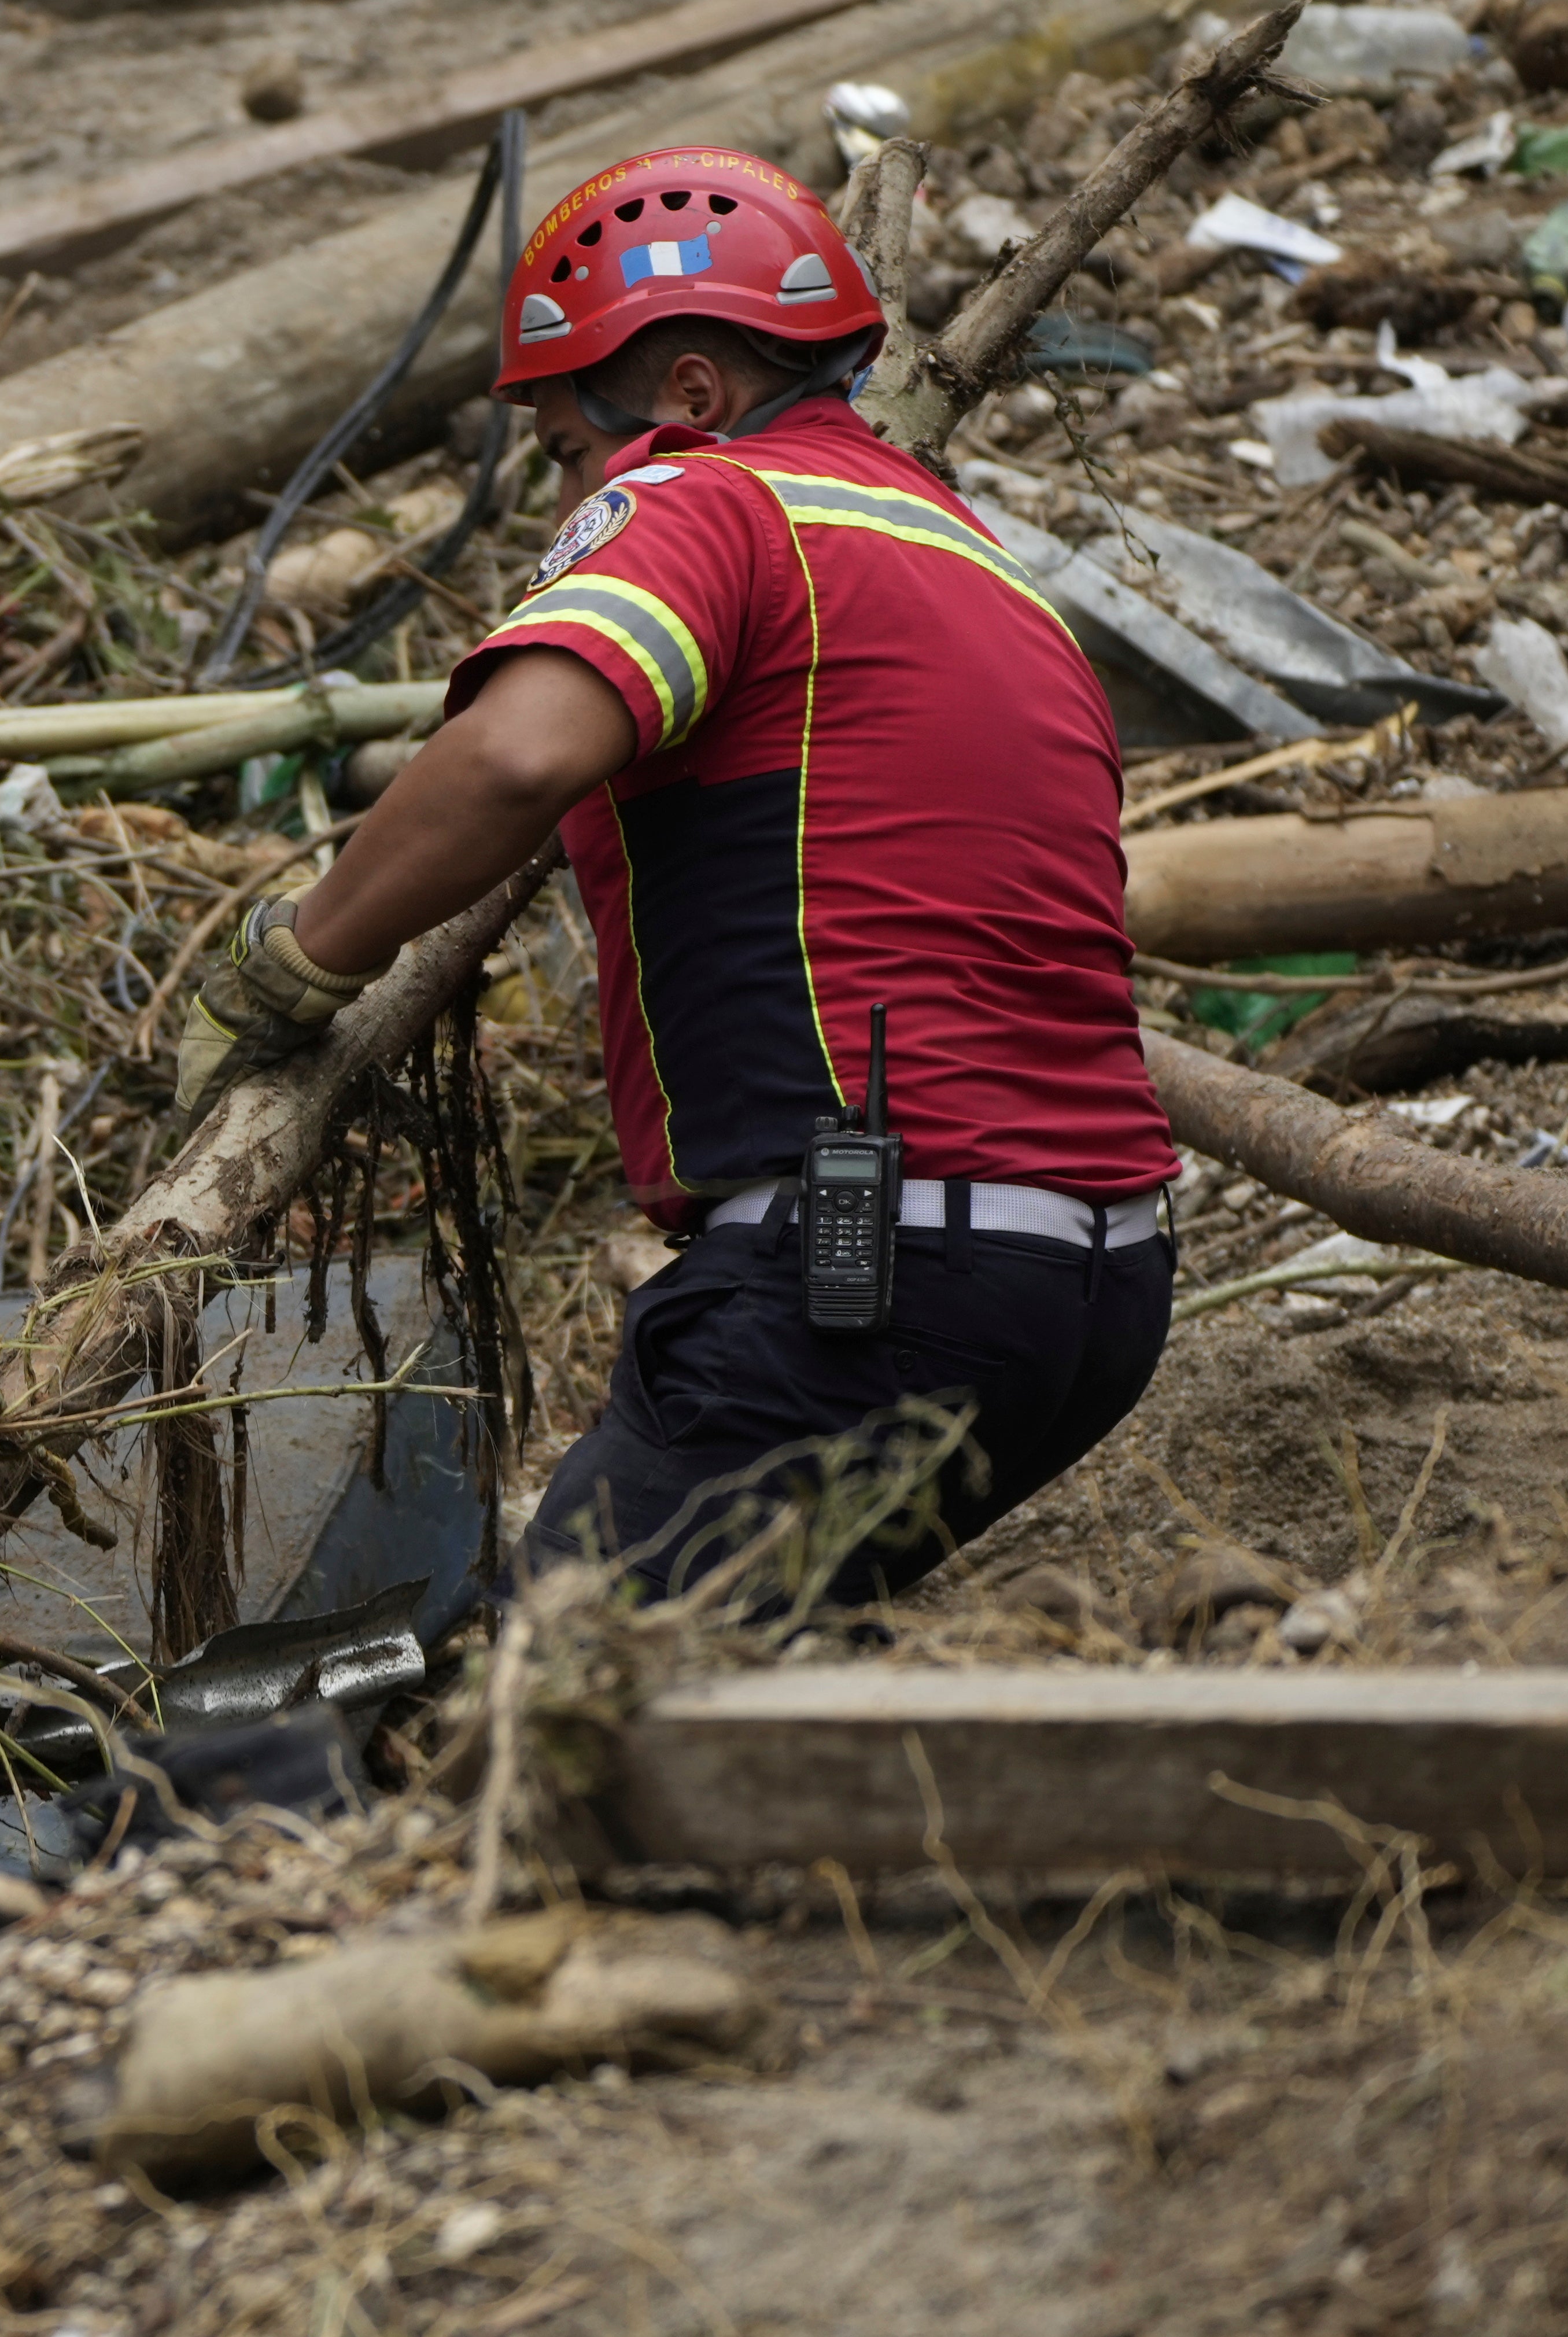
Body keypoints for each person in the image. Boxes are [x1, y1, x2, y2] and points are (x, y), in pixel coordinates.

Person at [176, 146, 1173, 1613]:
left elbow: (514, 756)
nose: (569, 490)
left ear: (689, 396)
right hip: (1094, 1282)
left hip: (870, 1264)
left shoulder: (712, 503)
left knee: (564, 1709)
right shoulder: (973, 559)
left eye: (569, 446)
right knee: (747, 1681)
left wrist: (297, 963)